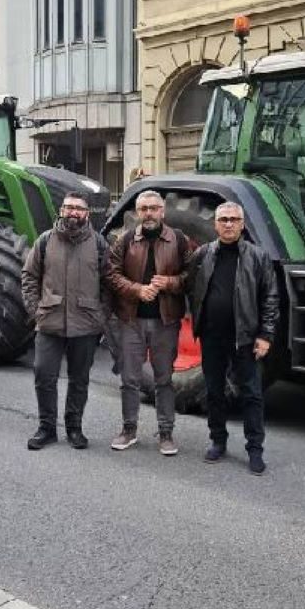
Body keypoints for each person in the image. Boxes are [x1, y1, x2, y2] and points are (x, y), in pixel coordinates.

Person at [187, 201, 279, 475]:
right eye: (223, 219)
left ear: (242, 224)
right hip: (212, 336)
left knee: (251, 394)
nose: (228, 224)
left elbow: (270, 297)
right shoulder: (203, 254)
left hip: (245, 338)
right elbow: (191, 287)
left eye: (234, 219)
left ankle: (255, 449)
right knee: (214, 392)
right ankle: (218, 441)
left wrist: (266, 334)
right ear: (215, 224)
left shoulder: (258, 257)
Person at [105, 190, 191, 455]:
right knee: (129, 379)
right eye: (144, 209)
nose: (149, 213)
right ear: (138, 212)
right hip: (131, 320)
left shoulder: (178, 240)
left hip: (166, 321)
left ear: (162, 211)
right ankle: (129, 430)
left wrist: (170, 282)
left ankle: (166, 433)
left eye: (154, 208)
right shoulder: (125, 239)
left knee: (164, 379)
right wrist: (137, 290)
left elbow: (192, 274)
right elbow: (111, 274)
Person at [21, 192, 110, 451]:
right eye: (69, 207)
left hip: (86, 324)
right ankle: (46, 428)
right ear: (61, 211)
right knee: (43, 375)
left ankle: (74, 428)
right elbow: (29, 276)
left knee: (79, 379)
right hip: (49, 321)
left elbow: (109, 283)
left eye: (79, 208)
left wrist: (101, 316)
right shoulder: (45, 241)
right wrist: (35, 311)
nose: (73, 212)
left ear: (87, 214)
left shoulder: (99, 244)